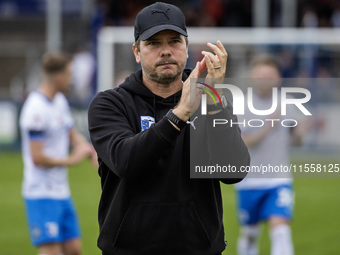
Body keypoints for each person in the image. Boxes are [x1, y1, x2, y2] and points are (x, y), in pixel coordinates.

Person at [88, 2, 249, 255]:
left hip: (198, 249)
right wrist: (180, 113)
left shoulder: (211, 100)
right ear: (137, 51)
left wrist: (214, 99)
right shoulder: (110, 103)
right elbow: (126, 161)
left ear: (187, 48)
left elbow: (234, 170)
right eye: (153, 43)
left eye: (174, 41)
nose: (166, 51)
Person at [20, 52, 97, 255]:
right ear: (60, 77)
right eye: (70, 74)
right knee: (51, 251)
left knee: (74, 250)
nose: (72, 79)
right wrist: (72, 160)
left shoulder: (59, 101)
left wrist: (91, 150)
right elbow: (37, 158)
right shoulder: (35, 109)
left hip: (61, 191)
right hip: (41, 193)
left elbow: (71, 133)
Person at [235, 54, 309, 255]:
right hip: (249, 181)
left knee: (281, 229)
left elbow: (296, 141)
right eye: (261, 74)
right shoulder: (242, 104)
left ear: (278, 77)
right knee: (250, 233)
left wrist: (300, 134)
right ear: (253, 77)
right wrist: (269, 126)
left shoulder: (288, 103)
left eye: (269, 74)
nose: (265, 79)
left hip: (278, 179)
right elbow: (243, 142)